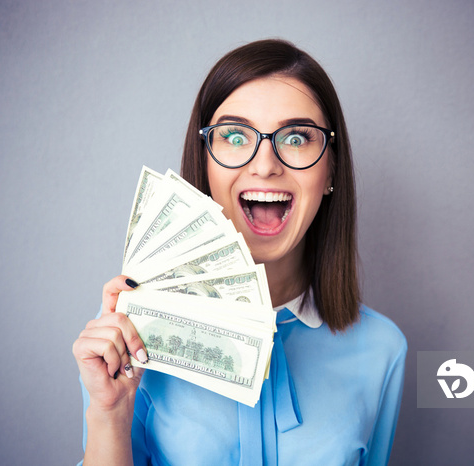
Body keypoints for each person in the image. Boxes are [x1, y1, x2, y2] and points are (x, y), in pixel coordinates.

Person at [73, 39, 407, 466]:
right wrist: (109, 413)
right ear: (205, 163)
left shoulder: (383, 350)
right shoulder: (131, 338)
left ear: (330, 172)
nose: (265, 164)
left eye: (297, 137)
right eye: (234, 135)